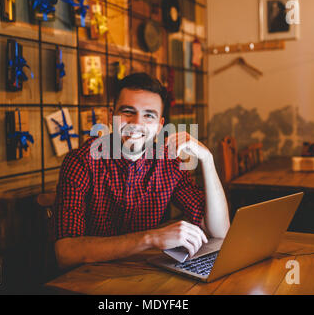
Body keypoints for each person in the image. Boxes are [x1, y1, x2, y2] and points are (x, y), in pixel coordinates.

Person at [54, 73, 230, 269]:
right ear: (112, 115)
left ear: (159, 125)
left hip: (145, 274)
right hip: (89, 278)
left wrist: (207, 159)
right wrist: (150, 238)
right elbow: (66, 252)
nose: (137, 123)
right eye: (128, 112)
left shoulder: (168, 162)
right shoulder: (81, 162)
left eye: (148, 115)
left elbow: (220, 231)